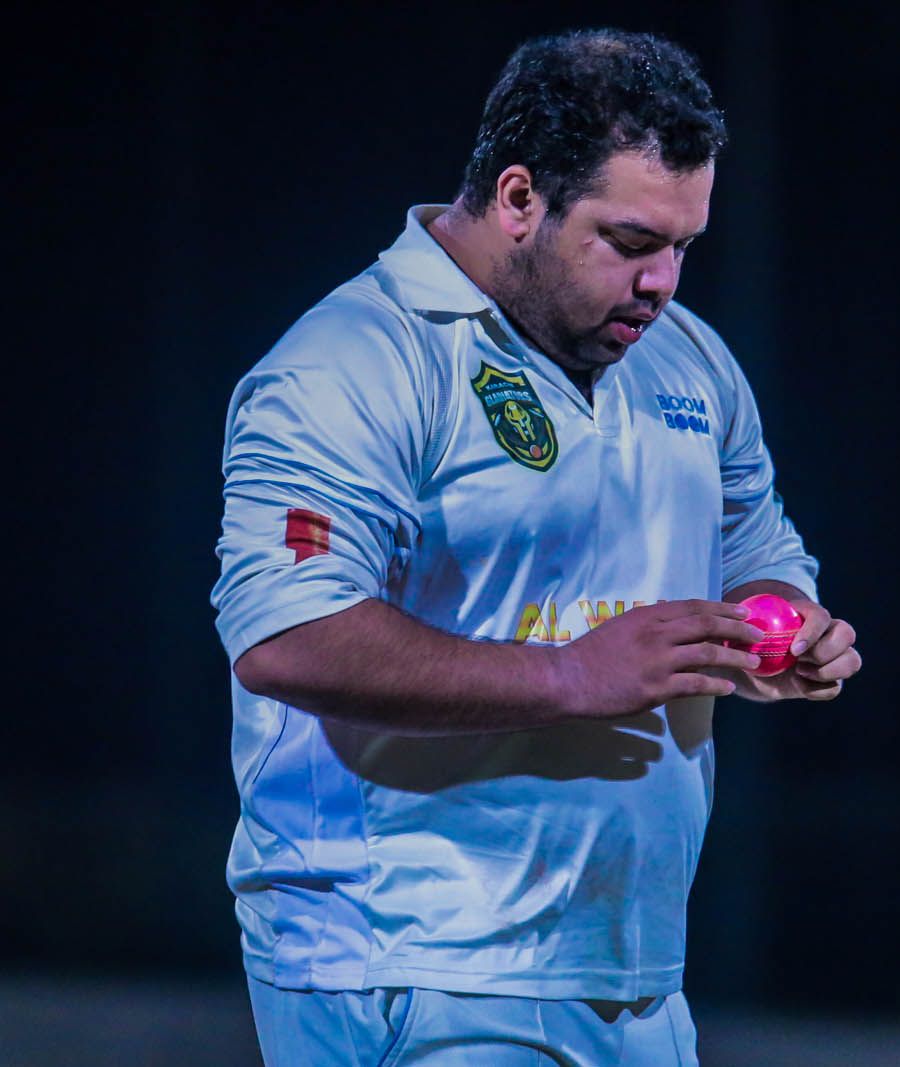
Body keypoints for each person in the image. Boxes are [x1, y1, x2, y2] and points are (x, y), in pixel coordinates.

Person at [210, 28, 861, 1066]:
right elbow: (286, 634)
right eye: (630, 241)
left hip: (633, 970)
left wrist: (783, 621)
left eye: (684, 246)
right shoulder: (352, 360)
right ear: (519, 198)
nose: (663, 282)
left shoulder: (688, 361)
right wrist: (569, 673)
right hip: (409, 962)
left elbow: (755, 540)